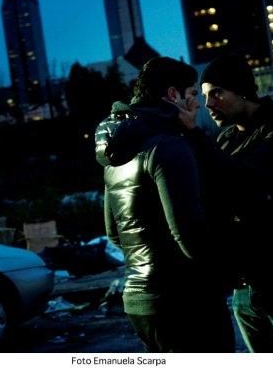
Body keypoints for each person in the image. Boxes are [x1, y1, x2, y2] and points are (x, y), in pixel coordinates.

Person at [174, 54, 273, 353]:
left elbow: (246, 179)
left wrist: (194, 135)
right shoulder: (226, 139)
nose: (208, 104)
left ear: (242, 90)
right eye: (204, 96)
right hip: (245, 287)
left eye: (217, 93)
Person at [95, 57, 235, 353]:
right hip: (186, 300)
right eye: (193, 94)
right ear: (173, 95)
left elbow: (114, 233)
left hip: (139, 301)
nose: (198, 103)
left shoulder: (117, 152)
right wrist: (227, 274)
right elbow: (190, 235)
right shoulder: (169, 146)